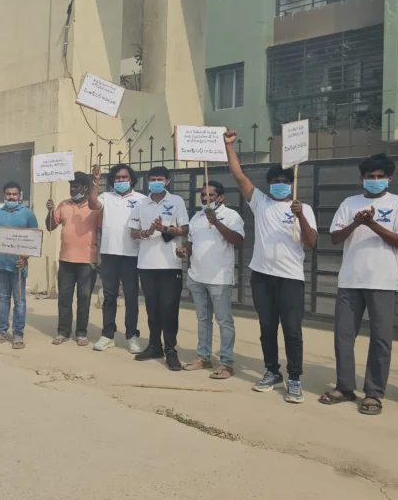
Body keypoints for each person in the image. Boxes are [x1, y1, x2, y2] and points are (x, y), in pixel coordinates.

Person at [321, 154, 398, 415]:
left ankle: (373, 392)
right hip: (350, 280)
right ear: (361, 178)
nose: (375, 180)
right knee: (343, 336)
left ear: (389, 178)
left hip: (383, 281)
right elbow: (335, 238)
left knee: (380, 339)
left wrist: (372, 223)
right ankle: (345, 387)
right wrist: (356, 222)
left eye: (380, 176)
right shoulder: (349, 203)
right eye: (370, 176)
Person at [225, 130, 317, 403]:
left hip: (290, 278)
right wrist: (229, 146)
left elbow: (311, 243)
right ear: (269, 184)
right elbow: (239, 176)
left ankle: (295, 378)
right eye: (275, 181)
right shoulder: (261, 203)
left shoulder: (303, 208)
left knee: (292, 330)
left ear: (292, 184)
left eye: (285, 181)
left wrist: (300, 218)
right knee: (267, 327)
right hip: (262, 277)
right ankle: (271, 371)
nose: (280, 185)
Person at [176, 181, 245, 378]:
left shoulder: (231, 216)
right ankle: (203, 357)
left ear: (221, 197)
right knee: (203, 319)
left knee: (224, 321)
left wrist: (216, 223)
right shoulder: (197, 217)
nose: (206, 198)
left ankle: (226, 363)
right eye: (203, 195)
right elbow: (191, 243)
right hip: (197, 276)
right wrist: (184, 250)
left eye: (211, 195)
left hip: (219, 278)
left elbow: (238, 240)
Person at [128, 166, 189, 371]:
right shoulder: (140, 204)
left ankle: (171, 350)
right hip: (146, 264)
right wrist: (148, 232)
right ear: (147, 181)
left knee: (169, 309)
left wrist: (164, 228)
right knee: (152, 309)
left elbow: (185, 229)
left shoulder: (176, 201)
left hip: (170, 265)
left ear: (167, 182)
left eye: (160, 179)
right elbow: (133, 233)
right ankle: (154, 346)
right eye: (152, 179)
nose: (156, 182)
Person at [45, 169, 102, 346]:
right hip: (65, 260)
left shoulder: (95, 208)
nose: (72, 190)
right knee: (64, 298)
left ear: (85, 188)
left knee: (84, 298)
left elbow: (103, 231)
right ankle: (63, 332)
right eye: (71, 186)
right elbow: (50, 227)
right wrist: (50, 211)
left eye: (76, 186)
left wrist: (100, 259)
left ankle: (81, 333)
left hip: (87, 261)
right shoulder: (63, 205)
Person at [94, 164, 147, 354]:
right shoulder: (106, 197)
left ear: (131, 180)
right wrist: (95, 181)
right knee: (109, 296)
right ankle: (108, 335)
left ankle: (132, 336)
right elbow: (92, 205)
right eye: (117, 178)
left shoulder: (141, 199)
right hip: (109, 253)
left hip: (132, 255)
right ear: (112, 181)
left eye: (124, 177)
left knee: (131, 297)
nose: (121, 181)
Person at [0, 182, 38, 348]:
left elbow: (34, 240)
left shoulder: (28, 214)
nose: (11, 197)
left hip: (18, 266)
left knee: (19, 300)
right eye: (8, 194)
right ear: (4, 195)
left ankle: (18, 335)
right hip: (0, 264)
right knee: (2, 298)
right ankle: (1, 332)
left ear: (20, 195)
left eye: (15, 194)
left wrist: (26, 257)